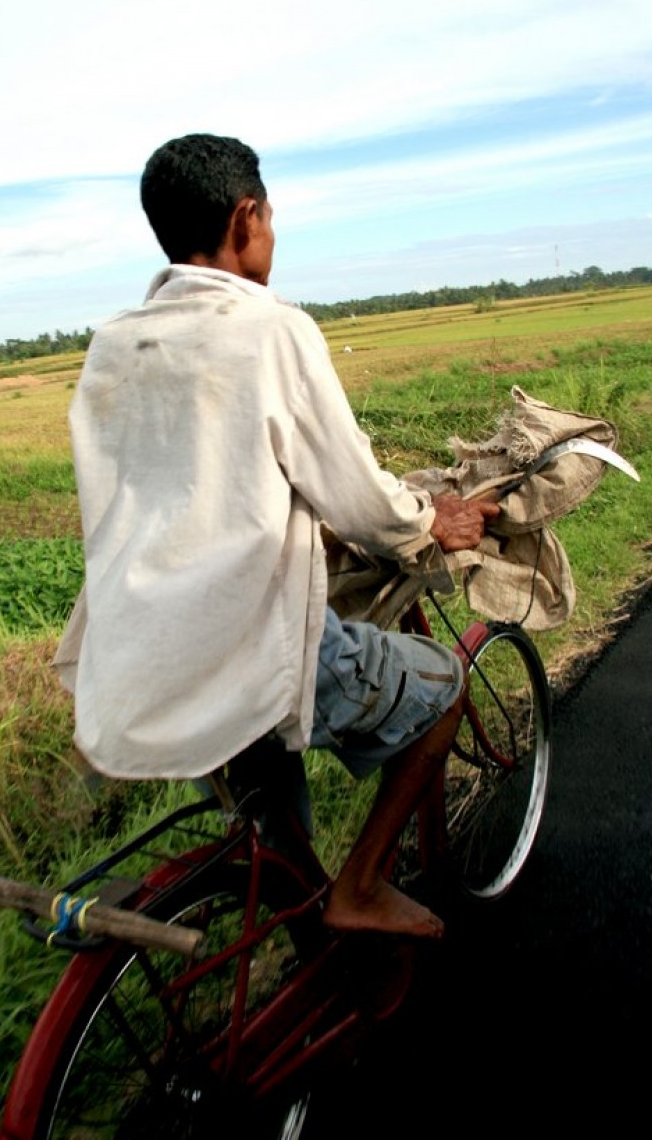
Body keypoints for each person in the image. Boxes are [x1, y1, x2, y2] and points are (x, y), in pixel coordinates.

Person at [66, 133, 499, 939]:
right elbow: (362, 503)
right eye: (269, 218)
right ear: (246, 217)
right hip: (248, 643)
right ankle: (361, 886)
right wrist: (428, 518)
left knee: (277, 834)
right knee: (445, 688)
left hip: (142, 658)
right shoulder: (271, 330)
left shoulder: (114, 345)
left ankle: (307, 938)